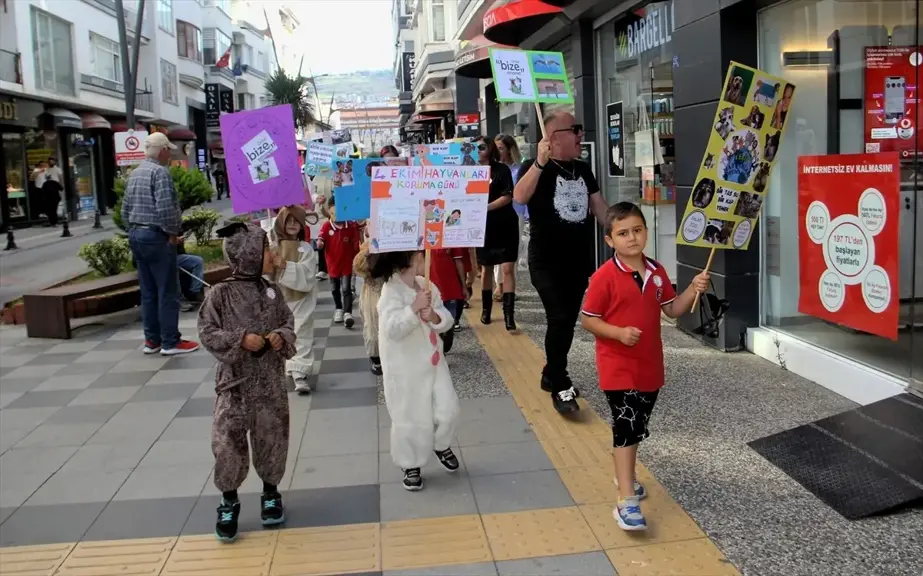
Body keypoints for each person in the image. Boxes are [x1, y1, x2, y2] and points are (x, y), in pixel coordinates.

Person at [580, 203, 709, 531]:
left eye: (637, 230)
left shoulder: (657, 271)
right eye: (623, 233)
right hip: (617, 366)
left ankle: (624, 474)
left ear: (647, 232)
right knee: (625, 426)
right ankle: (626, 500)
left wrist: (693, 289)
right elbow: (588, 319)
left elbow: (673, 310)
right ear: (610, 240)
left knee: (636, 426)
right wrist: (619, 333)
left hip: (650, 365)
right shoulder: (603, 277)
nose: (632, 238)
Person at [198, 222, 296, 542]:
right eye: (265, 249)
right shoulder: (220, 294)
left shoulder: (271, 290)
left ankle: (271, 492)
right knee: (228, 442)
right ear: (248, 254)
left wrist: (281, 337)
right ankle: (229, 500)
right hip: (235, 386)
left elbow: (286, 321)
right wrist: (240, 340)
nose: (270, 255)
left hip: (269, 382)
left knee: (273, 437)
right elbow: (207, 331)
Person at [513, 112, 608, 414]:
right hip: (545, 261)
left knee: (566, 320)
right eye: (576, 130)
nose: (582, 135)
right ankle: (560, 382)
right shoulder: (534, 167)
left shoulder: (583, 168)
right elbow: (519, 196)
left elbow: (600, 209)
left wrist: (625, 231)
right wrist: (540, 163)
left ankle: (550, 372)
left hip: (578, 261)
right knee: (558, 317)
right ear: (553, 136)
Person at [373, 249, 460, 491]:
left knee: (448, 408)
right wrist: (412, 309)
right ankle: (410, 463)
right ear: (410, 259)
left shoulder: (426, 284)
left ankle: (441, 443)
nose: (424, 259)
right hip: (406, 370)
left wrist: (433, 315)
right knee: (409, 416)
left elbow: (445, 318)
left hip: (434, 362)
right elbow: (392, 329)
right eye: (421, 256)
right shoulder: (390, 291)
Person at [122, 132, 199, 356]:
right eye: (169, 150)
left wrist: (134, 230)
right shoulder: (160, 173)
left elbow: (125, 209)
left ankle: (152, 340)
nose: (170, 154)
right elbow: (166, 208)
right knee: (168, 290)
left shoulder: (135, 173)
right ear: (163, 150)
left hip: (137, 234)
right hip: (156, 236)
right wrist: (173, 233)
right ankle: (170, 341)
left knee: (148, 292)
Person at [270, 205, 318, 394]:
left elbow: (307, 274)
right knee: (277, 334)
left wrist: (285, 265)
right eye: (288, 220)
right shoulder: (272, 245)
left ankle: (299, 372)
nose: (292, 225)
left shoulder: (305, 248)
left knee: (301, 332)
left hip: (300, 299)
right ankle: (284, 367)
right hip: (277, 298)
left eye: (296, 221)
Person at [473, 136, 519, 331]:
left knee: (507, 268)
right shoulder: (469, 171)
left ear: (490, 149)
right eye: (474, 147)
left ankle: (509, 314)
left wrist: (485, 207)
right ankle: (486, 310)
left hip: (505, 223)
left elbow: (508, 196)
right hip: (483, 226)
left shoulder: (502, 169)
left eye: (482, 147)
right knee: (486, 269)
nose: (478, 150)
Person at [316, 197, 360, 328]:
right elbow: (321, 238)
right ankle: (338, 309)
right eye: (333, 213)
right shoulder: (326, 226)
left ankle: (348, 313)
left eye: (339, 213)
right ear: (329, 212)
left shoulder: (350, 226)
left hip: (346, 263)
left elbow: (356, 243)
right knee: (335, 289)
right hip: (333, 264)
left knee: (346, 289)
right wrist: (320, 243)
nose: (336, 216)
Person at [494, 134, 526, 301]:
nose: (498, 151)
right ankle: (499, 285)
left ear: (509, 149)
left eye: (501, 148)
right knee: (497, 250)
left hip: (515, 213)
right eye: (496, 148)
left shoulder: (519, 169)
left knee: (513, 251)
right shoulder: (493, 169)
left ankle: (509, 287)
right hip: (496, 213)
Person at [354, 228, 383, 375]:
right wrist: (369, 251)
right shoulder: (368, 245)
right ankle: (375, 357)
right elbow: (358, 267)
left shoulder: (400, 246)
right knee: (372, 327)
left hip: (393, 286)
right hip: (373, 290)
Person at [428, 247, 467, 351]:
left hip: (450, 288)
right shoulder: (423, 236)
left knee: (450, 320)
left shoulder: (450, 235)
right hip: (431, 288)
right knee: (434, 323)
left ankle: (446, 341)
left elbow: (458, 261)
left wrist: (464, 286)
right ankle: (439, 352)